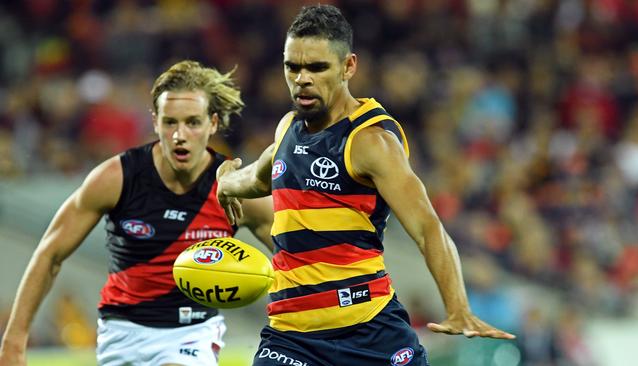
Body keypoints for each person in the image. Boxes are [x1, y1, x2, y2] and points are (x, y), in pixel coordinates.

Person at [216, 5, 516, 365]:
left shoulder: (371, 142)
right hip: (290, 338)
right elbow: (259, 176)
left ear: (348, 67)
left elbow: (427, 227)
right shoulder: (287, 130)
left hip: (368, 332)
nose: (301, 78)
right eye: (292, 67)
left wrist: (457, 307)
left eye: (316, 67)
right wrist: (226, 183)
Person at [0, 60, 274, 366]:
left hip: (193, 331)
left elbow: (295, 254)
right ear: (155, 121)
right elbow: (49, 254)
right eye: (170, 122)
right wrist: (14, 339)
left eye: (192, 122)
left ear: (212, 123)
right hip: (121, 331)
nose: (180, 135)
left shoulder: (233, 188)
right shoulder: (116, 178)